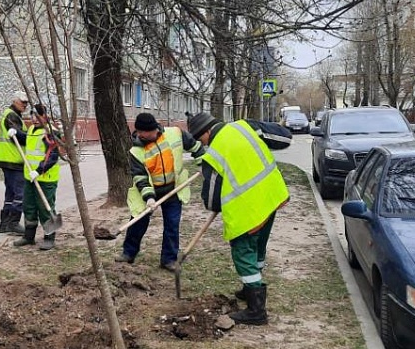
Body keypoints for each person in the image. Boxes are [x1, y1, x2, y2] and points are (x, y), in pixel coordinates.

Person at [187, 112, 291, 325]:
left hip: (248, 209)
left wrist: (214, 196)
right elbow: (285, 138)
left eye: (200, 139)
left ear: (206, 132)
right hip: (271, 195)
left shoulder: (215, 154)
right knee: (259, 246)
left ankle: (256, 311)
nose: (202, 143)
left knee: (243, 252)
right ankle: (250, 288)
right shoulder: (244, 127)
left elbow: (210, 200)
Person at [114, 113, 204, 271]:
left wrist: (202, 163)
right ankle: (128, 253)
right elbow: (140, 177)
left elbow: (195, 146)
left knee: (172, 225)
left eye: (143, 132)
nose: (140, 135)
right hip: (150, 192)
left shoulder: (175, 134)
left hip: (174, 189)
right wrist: (149, 197)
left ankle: (169, 259)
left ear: (154, 129)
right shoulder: (136, 150)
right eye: (138, 132)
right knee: (138, 223)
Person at [14, 104, 62, 250]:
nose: (34, 119)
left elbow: (53, 156)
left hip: (45, 179)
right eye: (32, 116)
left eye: (37, 116)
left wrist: (39, 170)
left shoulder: (50, 133)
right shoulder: (31, 130)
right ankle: (29, 237)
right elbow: (27, 140)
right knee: (29, 207)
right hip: (30, 178)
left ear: (45, 116)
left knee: (45, 209)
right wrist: (15, 133)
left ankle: (49, 238)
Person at [0, 91, 29, 234]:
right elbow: (20, 137)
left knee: (10, 193)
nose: (25, 105)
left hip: (7, 159)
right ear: (15, 101)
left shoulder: (14, 115)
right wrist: (33, 137)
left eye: (26, 103)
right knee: (19, 194)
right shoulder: (11, 115)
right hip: (12, 160)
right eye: (23, 102)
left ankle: (4, 224)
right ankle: (14, 223)